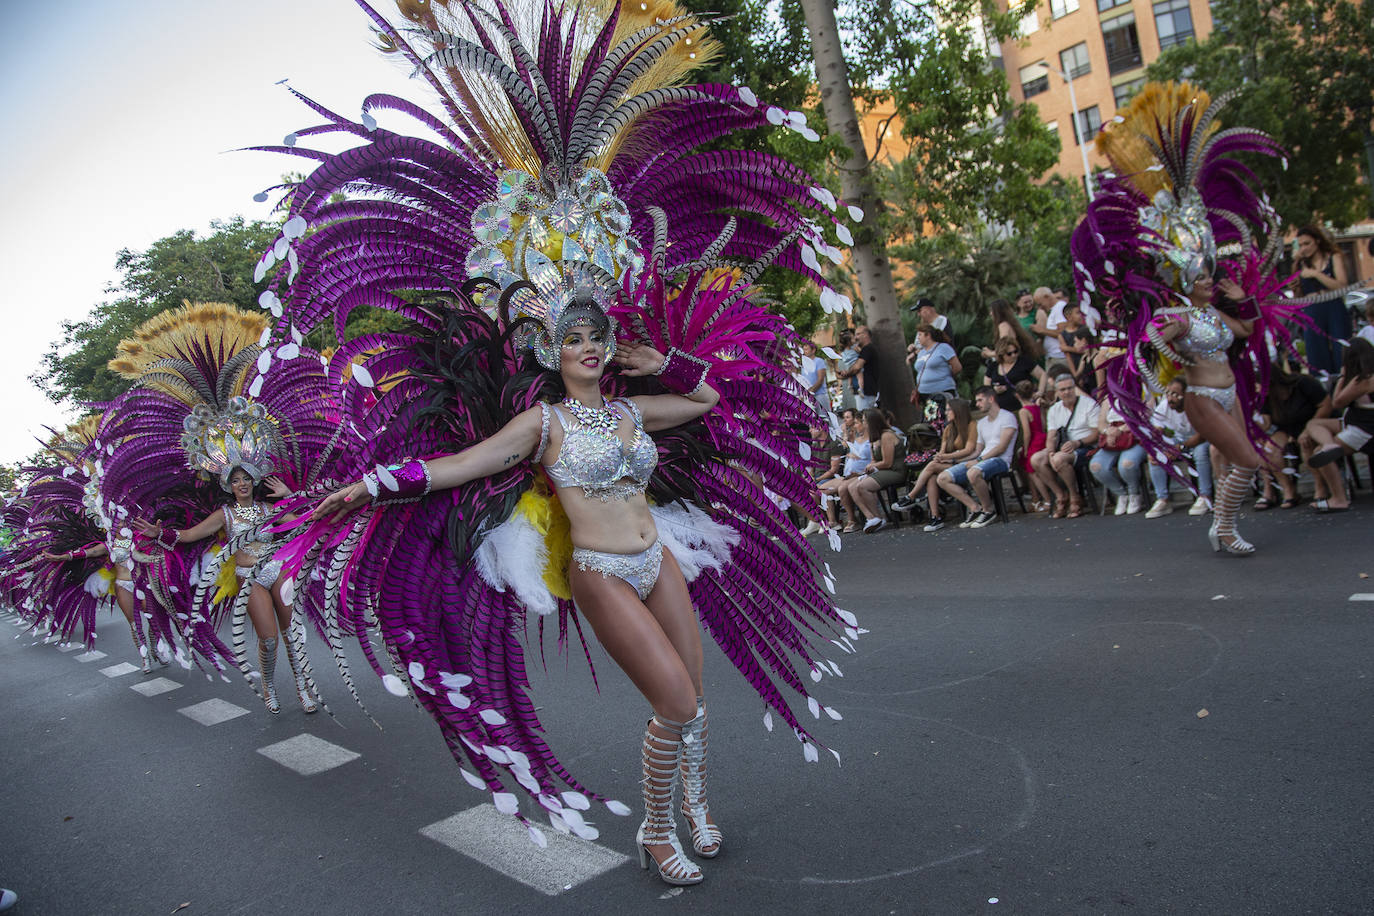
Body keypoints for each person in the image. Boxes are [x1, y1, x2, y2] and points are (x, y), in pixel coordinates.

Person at [1070, 81, 1300, 555]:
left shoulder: (1213, 310)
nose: (1211, 282)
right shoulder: (1176, 314)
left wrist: (1244, 300)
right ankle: (1227, 530)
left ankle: (1222, 524)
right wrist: (1168, 374)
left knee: (1241, 463)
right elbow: (1149, 340)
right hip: (1200, 395)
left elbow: (1245, 331)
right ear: (1187, 279)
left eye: (1211, 278)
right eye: (1205, 279)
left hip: (1228, 390)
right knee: (1249, 460)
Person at [135, 470, 315, 714]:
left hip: (277, 569)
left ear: (255, 481)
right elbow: (189, 535)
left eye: (246, 478)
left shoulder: (267, 508)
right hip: (249, 577)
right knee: (269, 639)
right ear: (228, 486)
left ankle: (303, 689)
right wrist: (160, 533)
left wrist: (289, 495)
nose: (242, 484)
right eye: (236, 480)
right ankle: (269, 686)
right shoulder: (225, 515)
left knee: (293, 633)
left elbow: (305, 523)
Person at [1304, 337, 1374, 511]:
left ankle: (1339, 498)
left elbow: (1338, 402)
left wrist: (1343, 376)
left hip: (1364, 429)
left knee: (1319, 453)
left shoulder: (1363, 379)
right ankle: (1329, 444)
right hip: (1358, 422)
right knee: (1314, 424)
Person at [936, 385, 1018, 528]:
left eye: (980, 400)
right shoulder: (982, 423)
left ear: (991, 399)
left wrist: (978, 460)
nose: (977, 404)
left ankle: (988, 510)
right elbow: (977, 451)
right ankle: (975, 508)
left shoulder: (1007, 417)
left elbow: (1001, 447)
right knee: (943, 478)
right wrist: (955, 460)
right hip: (982, 459)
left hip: (1001, 460)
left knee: (973, 473)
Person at [1256, 362, 1330, 509]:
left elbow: (1326, 405)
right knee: (1270, 449)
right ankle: (1288, 489)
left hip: (1313, 422)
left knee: (1306, 443)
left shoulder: (1303, 383)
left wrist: (1309, 429)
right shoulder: (1266, 396)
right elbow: (1266, 423)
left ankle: (1320, 486)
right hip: (1287, 428)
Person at [894, 398, 977, 523]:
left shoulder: (972, 426)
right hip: (950, 463)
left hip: (967, 462)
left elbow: (969, 450)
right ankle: (935, 516)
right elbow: (942, 451)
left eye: (949, 410)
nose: (946, 412)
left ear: (958, 411)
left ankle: (912, 496)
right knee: (932, 476)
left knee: (932, 466)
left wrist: (947, 457)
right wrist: (940, 456)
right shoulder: (949, 429)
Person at [1032, 373, 1100, 518]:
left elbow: (1096, 434)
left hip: (1085, 445)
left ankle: (1075, 497)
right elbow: (1051, 436)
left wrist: (1077, 443)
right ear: (1057, 392)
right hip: (1062, 446)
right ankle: (1061, 495)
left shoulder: (1089, 404)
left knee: (1059, 459)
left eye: (1070, 388)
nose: (1067, 392)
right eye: (1062, 390)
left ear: (1075, 388)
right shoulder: (1054, 409)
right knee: (1037, 459)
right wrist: (1050, 451)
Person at [1144, 379, 1213, 518]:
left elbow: (1202, 435)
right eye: (1168, 394)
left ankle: (1206, 496)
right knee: (1157, 454)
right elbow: (1157, 430)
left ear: (1186, 394)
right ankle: (1162, 499)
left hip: (1203, 438)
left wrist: (1179, 448)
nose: (1170, 398)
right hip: (1179, 438)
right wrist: (1153, 448)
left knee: (1200, 454)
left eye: (1175, 394)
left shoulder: (1197, 405)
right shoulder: (1165, 405)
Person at [835, 409, 907, 533]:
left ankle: (878, 516)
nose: (863, 423)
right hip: (882, 470)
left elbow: (887, 462)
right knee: (852, 486)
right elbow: (874, 459)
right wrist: (870, 465)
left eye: (864, 421)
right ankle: (872, 517)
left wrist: (873, 466)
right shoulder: (876, 438)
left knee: (863, 486)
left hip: (895, 470)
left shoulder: (886, 436)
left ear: (871, 422)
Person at [1293, 225, 1351, 376]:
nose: (1304, 249)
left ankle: (1345, 387)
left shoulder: (1333, 257)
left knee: (1341, 351)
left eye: (1307, 244)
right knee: (1316, 353)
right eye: (1300, 245)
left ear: (1317, 241)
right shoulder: (1300, 264)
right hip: (1312, 309)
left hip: (1333, 306)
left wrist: (1316, 274)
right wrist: (1295, 285)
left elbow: (1342, 286)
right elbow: (1298, 297)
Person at [1089, 398, 1147, 515]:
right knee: (1096, 466)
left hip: (1134, 436)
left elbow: (1141, 418)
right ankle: (1121, 494)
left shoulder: (1138, 393)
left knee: (1126, 464)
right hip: (1112, 437)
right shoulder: (1108, 399)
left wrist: (1118, 430)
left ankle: (1134, 493)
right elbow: (1101, 423)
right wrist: (1108, 431)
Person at [1014, 380, 1054, 512]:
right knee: (1038, 469)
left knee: (1032, 473)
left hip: (1033, 442)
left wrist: (1025, 448)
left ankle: (1047, 499)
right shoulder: (1037, 406)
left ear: (1017, 396)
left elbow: (1026, 433)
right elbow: (1043, 424)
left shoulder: (1023, 411)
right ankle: (1043, 498)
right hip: (1042, 438)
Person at [983, 335, 1046, 412]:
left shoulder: (1024, 361)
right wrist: (994, 390)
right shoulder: (993, 366)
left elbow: (1042, 374)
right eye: (1009, 354)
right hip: (1002, 410)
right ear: (1001, 354)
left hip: (1024, 407)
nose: (1013, 355)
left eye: (1015, 351)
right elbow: (986, 388)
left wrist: (1040, 392)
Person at [906, 323, 961, 406]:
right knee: (930, 417)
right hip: (924, 393)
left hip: (942, 390)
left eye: (920, 335)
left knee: (940, 417)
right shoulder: (921, 352)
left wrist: (943, 376)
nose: (918, 338)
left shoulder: (943, 348)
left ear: (928, 335)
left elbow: (957, 367)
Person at [838, 325, 880, 409]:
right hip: (864, 391)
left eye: (857, 334)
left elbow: (857, 367)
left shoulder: (867, 349)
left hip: (867, 391)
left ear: (865, 334)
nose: (856, 337)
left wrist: (847, 373)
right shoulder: (861, 350)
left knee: (865, 416)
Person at [1029, 286, 1066, 362]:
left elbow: (1063, 332)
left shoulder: (1059, 308)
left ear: (1047, 297)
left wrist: (1042, 330)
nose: (1040, 307)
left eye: (1040, 304)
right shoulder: (1054, 310)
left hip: (1059, 356)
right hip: (1053, 356)